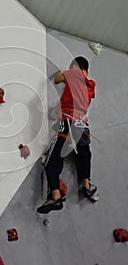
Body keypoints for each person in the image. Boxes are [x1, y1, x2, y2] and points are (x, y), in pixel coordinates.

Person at [37, 56, 97, 214]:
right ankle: (87, 185)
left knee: (53, 159)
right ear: (87, 71)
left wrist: (66, 71)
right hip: (82, 125)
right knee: (84, 154)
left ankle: (55, 196)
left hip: (68, 123)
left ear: (74, 67)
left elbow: (57, 79)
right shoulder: (91, 85)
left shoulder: (71, 75)